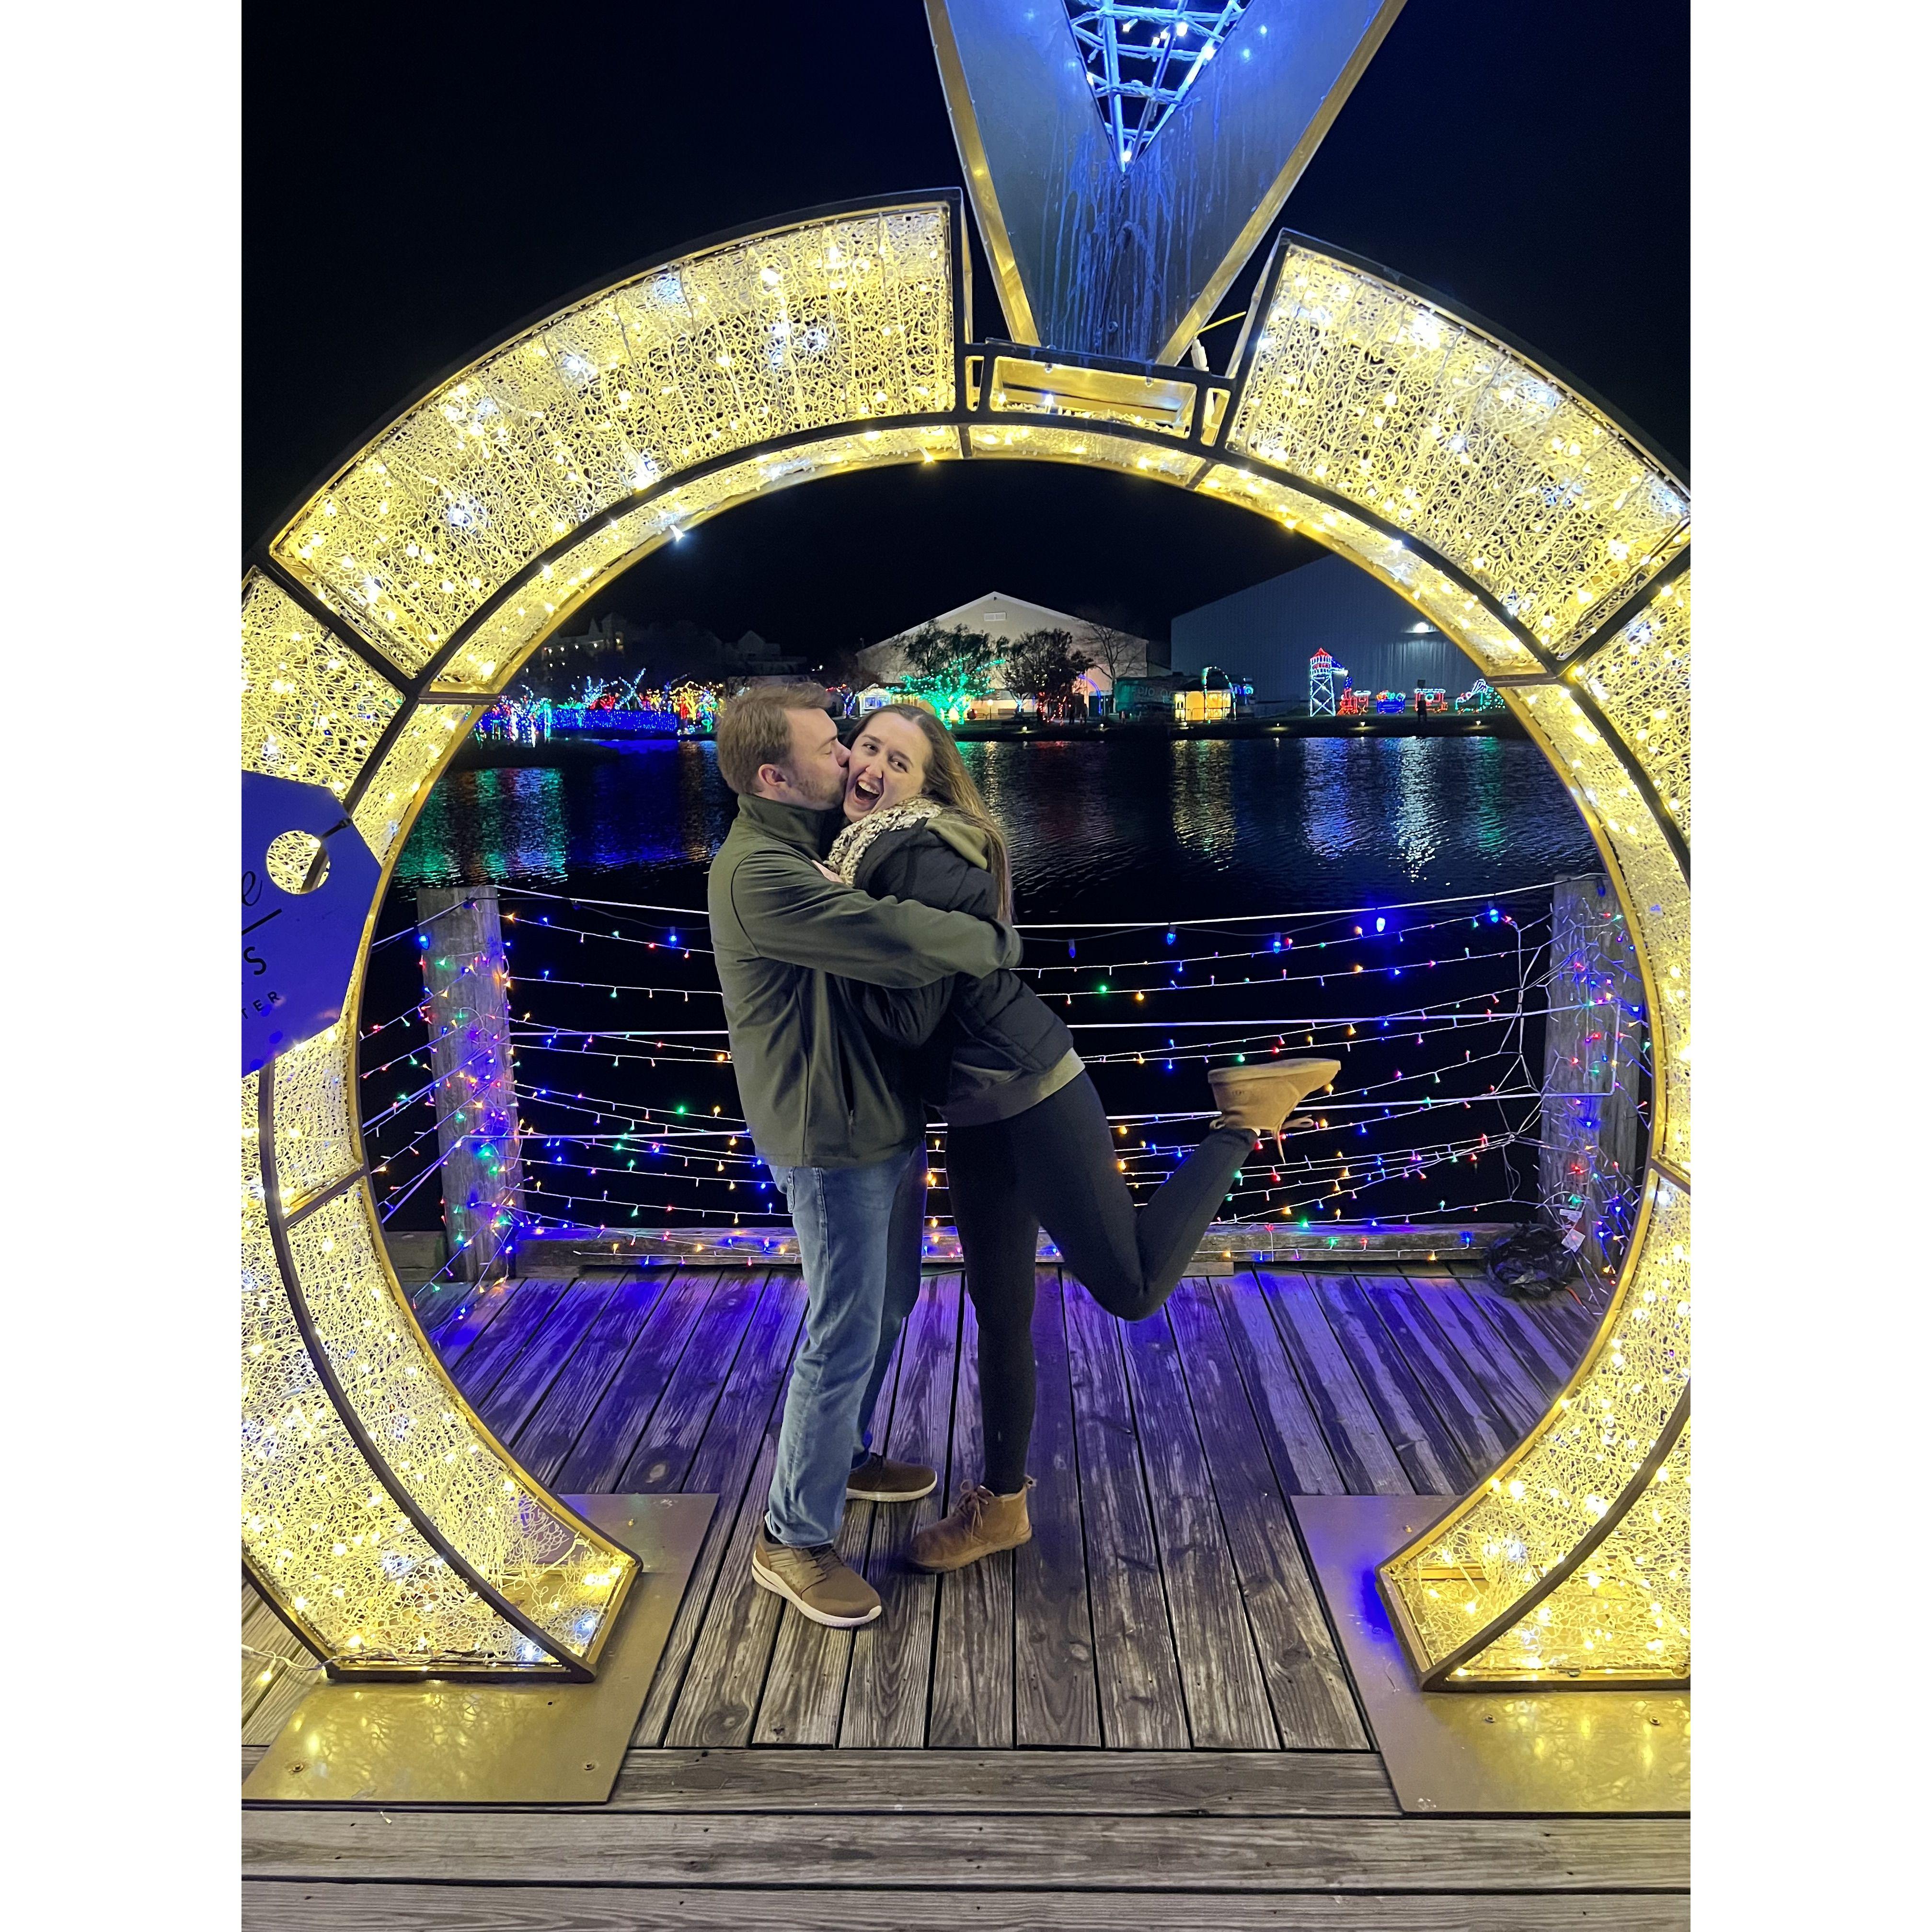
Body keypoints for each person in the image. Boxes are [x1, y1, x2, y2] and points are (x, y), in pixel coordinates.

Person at [829, 703, 1338, 1574]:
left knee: (1131, 1289)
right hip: (976, 1111)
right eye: (868, 746)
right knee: (999, 1310)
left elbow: (910, 1018)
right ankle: (1002, 1508)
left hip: (1035, 1094)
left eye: (899, 761)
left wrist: (829, 938)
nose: (873, 767)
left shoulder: (921, 856)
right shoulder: (861, 849)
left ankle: (1241, 1121)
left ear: (930, 785)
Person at [708, 683, 1024, 1629]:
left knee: (886, 1305)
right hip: (828, 1135)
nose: (850, 759)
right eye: (830, 748)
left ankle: (842, 1457)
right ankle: (792, 1539)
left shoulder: (823, 841)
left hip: (877, 1116)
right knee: (843, 1328)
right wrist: (991, 940)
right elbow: (891, 939)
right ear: (775, 777)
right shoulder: (762, 873)